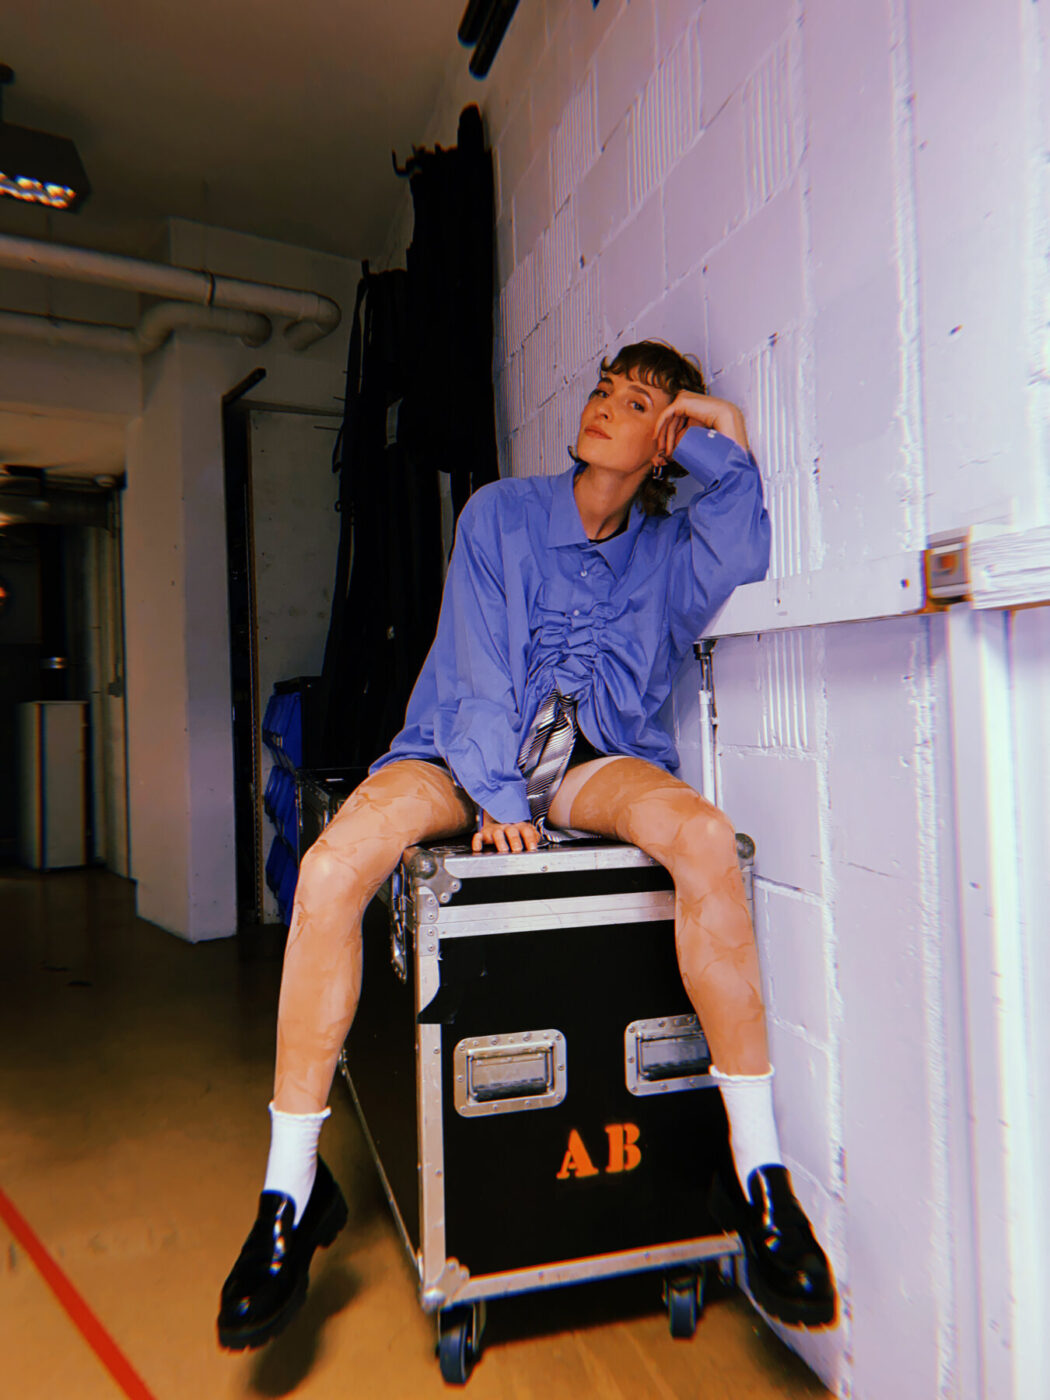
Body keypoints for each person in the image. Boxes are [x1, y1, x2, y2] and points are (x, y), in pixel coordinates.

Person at [217, 340, 837, 1351]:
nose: (604, 406)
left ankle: (761, 1178)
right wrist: (499, 798)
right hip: (458, 758)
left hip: (588, 768)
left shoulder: (667, 552)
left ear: (665, 440)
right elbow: (474, 674)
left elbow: (741, 536)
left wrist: (711, 426)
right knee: (331, 867)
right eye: (603, 389)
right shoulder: (499, 513)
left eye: (636, 403)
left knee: (705, 837)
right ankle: (290, 1193)